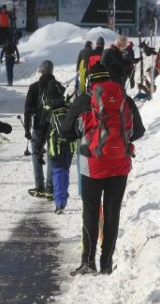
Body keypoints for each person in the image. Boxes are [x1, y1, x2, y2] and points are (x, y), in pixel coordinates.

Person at [59, 63, 146, 276]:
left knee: (90, 211)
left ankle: (88, 262)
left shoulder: (85, 100)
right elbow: (139, 130)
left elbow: (66, 132)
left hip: (93, 164)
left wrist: (86, 135)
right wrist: (119, 140)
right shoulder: (123, 98)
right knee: (112, 212)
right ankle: (106, 263)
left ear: (90, 79)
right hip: (120, 164)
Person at [23, 60, 59, 199]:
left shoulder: (34, 87)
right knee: (51, 156)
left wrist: (27, 129)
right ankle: (50, 189)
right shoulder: (58, 87)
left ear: (41, 71)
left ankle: (40, 187)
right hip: (54, 127)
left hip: (38, 126)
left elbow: (27, 111)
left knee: (36, 154)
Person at [44, 81, 76, 214]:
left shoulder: (49, 110)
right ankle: (61, 198)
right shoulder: (68, 107)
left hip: (55, 147)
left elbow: (42, 131)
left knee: (58, 172)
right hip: (69, 145)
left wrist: (39, 149)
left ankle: (60, 202)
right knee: (64, 172)